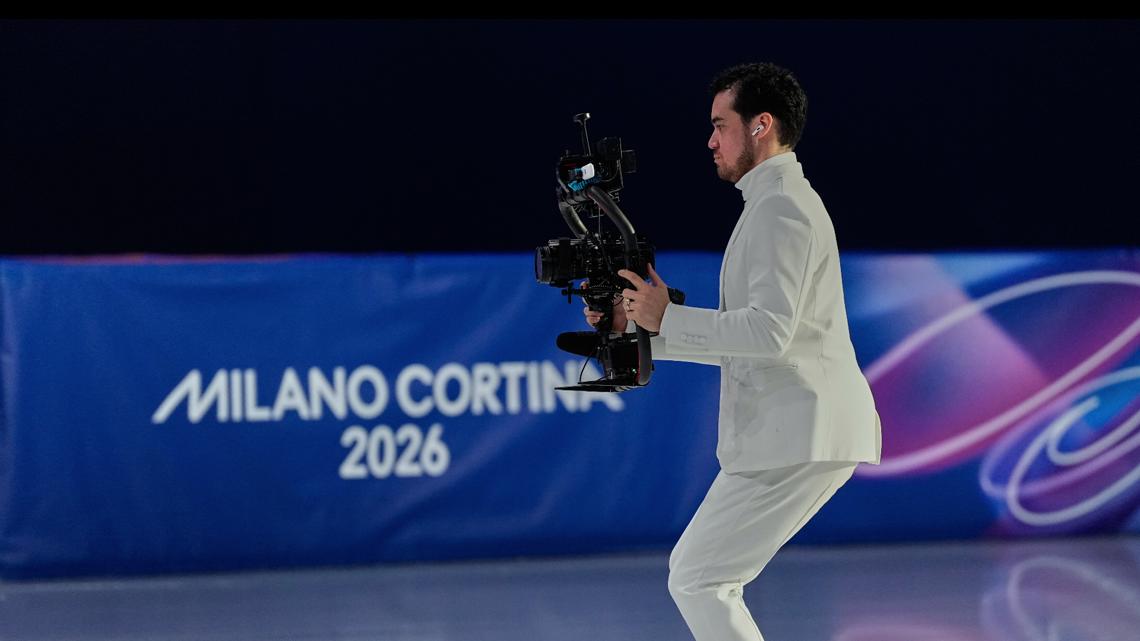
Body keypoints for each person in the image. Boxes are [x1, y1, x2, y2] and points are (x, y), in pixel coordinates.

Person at [583, 62, 881, 641]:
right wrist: (641, 329)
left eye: (721, 124)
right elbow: (747, 338)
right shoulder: (769, 204)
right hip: (795, 430)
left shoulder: (781, 207)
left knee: (699, 579)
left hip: (800, 431)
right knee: (700, 578)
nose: (711, 139)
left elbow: (768, 334)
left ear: (761, 124)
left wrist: (665, 316)